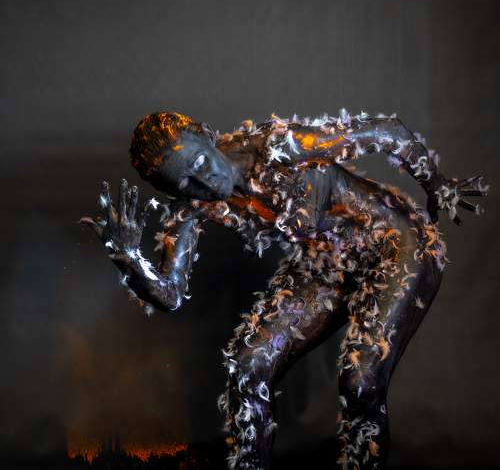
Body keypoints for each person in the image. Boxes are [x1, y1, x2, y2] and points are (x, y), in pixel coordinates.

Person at [80, 111, 487, 469]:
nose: (205, 181)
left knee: (359, 382)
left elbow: (387, 131)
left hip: (394, 244)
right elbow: (170, 293)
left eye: (201, 161)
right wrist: (129, 260)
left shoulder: (278, 147)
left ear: (206, 134)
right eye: (185, 181)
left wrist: (438, 185)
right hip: (327, 263)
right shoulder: (190, 205)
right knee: (248, 368)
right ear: (172, 190)